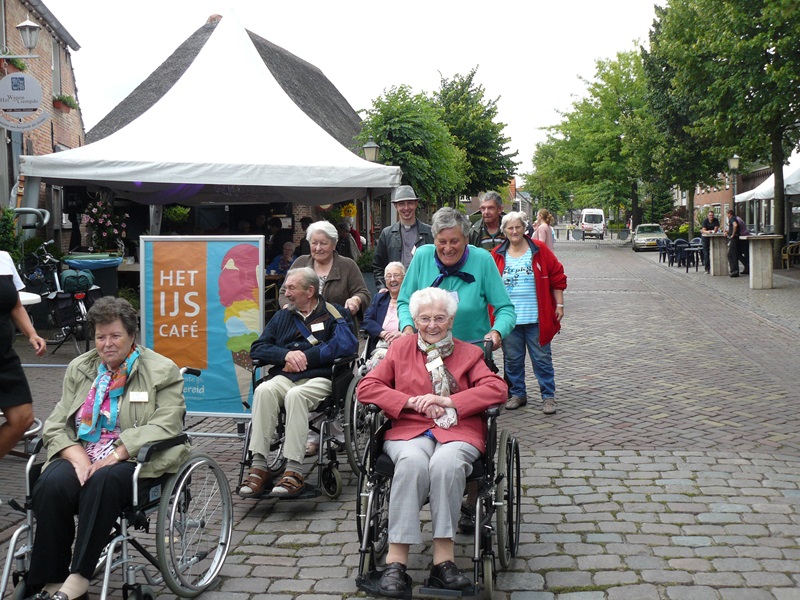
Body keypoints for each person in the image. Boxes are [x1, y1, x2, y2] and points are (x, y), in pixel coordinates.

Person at [24, 296, 189, 600]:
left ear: (131, 337)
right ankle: (50, 579)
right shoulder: (81, 368)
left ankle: (79, 577)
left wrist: (114, 455)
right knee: (50, 483)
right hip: (83, 452)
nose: (107, 343)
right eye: (101, 336)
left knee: (103, 481)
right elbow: (58, 422)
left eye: (115, 336)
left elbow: (166, 425)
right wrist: (77, 459)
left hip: (135, 459)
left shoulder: (161, 370)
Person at [356, 287, 507, 596]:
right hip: (409, 429)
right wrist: (410, 401)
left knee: (446, 464)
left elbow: (497, 390)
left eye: (440, 317)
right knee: (411, 462)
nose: (432, 324)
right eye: (425, 318)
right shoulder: (400, 351)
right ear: (415, 319)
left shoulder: (469, 353)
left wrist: (447, 400)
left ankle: (443, 561)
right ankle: (396, 562)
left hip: (458, 430)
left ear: (451, 319)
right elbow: (368, 387)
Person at [239, 267, 358, 498]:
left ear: (310, 291)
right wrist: (285, 356)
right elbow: (258, 348)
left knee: (296, 396)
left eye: (291, 288)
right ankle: (259, 466)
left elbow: (346, 347)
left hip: (320, 378)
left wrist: (305, 356)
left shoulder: (334, 313)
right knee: (264, 389)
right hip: (285, 377)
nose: (286, 292)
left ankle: (294, 470)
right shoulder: (283, 315)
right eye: (286, 287)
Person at [397, 207, 515, 349]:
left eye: (454, 241)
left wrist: (497, 332)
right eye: (442, 242)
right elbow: (404, 301)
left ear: (466, 239)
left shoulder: (482, 260)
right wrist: (407, 327)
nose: (447, 248)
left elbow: (505, 309)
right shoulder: (422, 257)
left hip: (472, 355)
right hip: (428, 354)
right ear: (434, 240)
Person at [491, 212, 567, 414]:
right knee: (512, 359)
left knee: (542, 358)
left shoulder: (539, 250)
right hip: (509, 320)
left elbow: (557, 276)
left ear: (525, 228)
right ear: (504, 231)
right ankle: (517, 393)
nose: (514, 231)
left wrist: (559, 305)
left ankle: (548, 396)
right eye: (510, 228)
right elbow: (488, 285)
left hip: (536, 317)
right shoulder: (496, 254)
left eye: (518, 227)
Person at [280, 220, 370, 327]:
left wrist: (355, 300)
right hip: (302, 329)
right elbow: (284, 292)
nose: (318, 248)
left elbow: (363, 293)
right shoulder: (301, 262)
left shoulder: (348, 265)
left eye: (323, 243)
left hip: (338, 330)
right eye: (314, 243)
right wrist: (288, 308)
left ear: (334, 244)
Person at [0, 250, 46, 459]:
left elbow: (15, 305)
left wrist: (32, 334)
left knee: (22, 418)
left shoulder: (4, 258)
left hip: (4, 357)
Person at [372, 185, 434, 290]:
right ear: (396, 206)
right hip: (396, 292)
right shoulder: (387, 234)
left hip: (424, 290)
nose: (406, 208)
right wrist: (382, 287)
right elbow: (378, 266)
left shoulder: (430, 232)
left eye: (410, 203)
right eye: (401, 204)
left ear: (416, 204)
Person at [360, 262, 405, 371]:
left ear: (405, 278)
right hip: (381, 346)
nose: (392, 279)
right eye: (388, 276)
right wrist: (383, 333)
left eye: (396, 275)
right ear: (385, 281)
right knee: (381, 359)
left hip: (403, 348)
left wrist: (402, 334)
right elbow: (367, 320)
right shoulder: (380, 298)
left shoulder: (411, 300)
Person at [724, 209, 749, 277]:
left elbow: (735, 225)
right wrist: (728, 232)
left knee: (731, 255)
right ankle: (744, 267)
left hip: (734, 239)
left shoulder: (732, 218)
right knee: (735, 254)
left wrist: (733, 234)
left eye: (727, 214)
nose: (727, 216)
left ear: (729, 214)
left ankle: (734, 271)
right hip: (737, 238)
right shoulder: (737, 218)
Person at [700, 208, 721, 274]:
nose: (711, 217)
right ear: (708, 216)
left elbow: (715, 230)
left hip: (713, 238)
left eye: (712, 215)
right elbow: (703, 230)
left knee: (715, 252)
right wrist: (707, 231)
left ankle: (716, 268)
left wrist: (709, 231)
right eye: (710, 215)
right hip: (705, 239)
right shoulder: (705, 221)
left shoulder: (716, 220)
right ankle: (707, 269)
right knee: (706, 253)